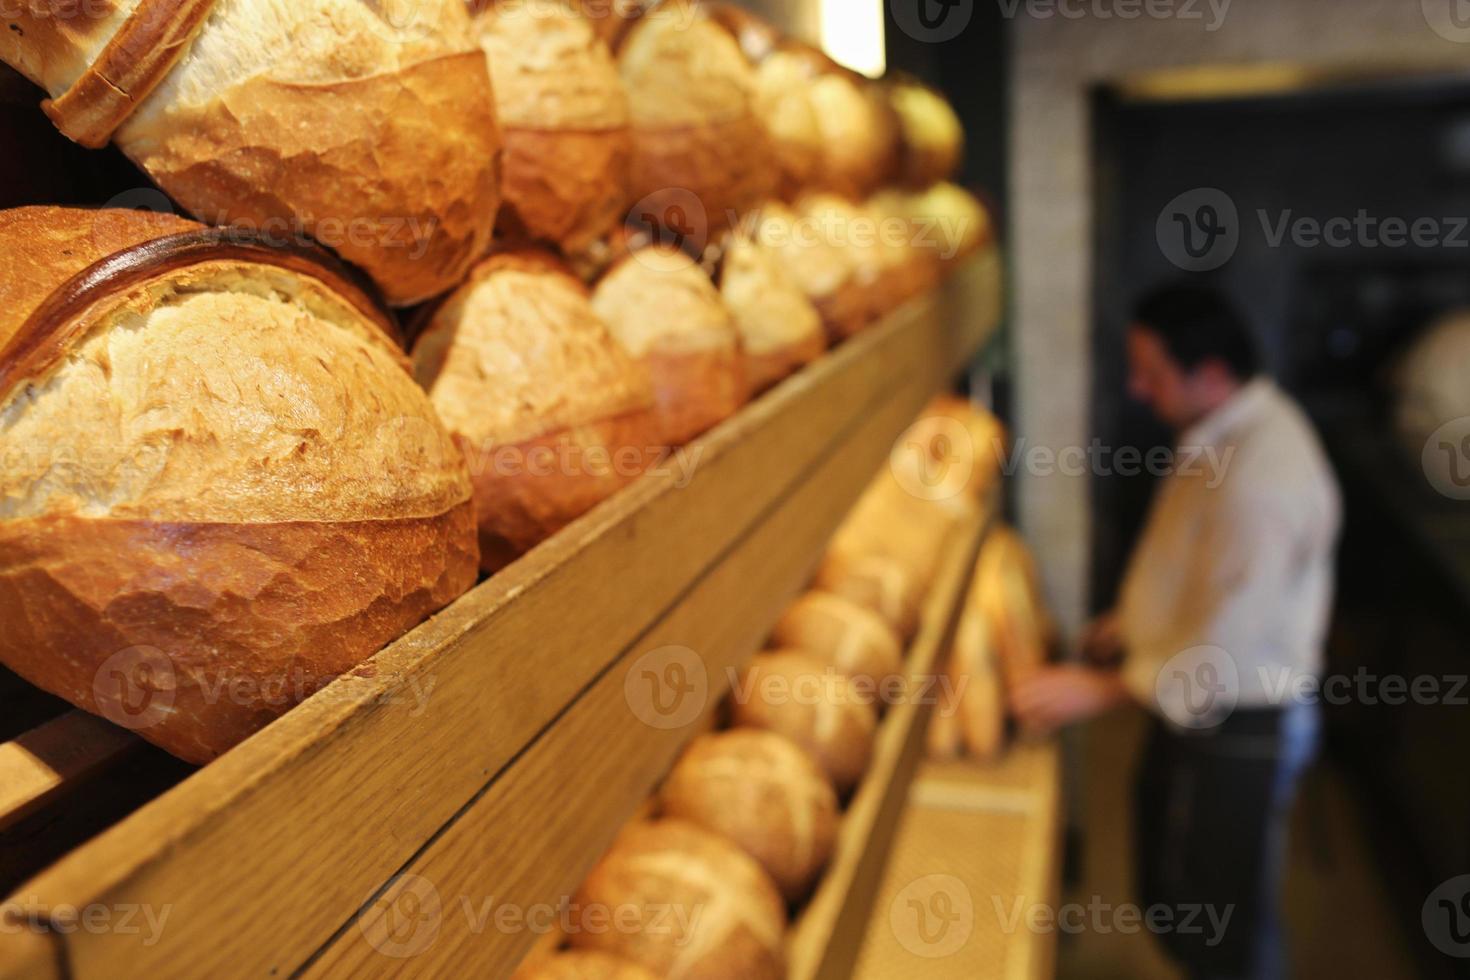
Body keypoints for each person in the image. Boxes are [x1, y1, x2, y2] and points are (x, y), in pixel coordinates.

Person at [1012, 283, 1341, 980]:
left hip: (1244, 710)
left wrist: (1101, 690)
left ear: (1212, 375)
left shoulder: (1265, 475)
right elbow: (1193, 562)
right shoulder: (1220, 431)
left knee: (1229, 916)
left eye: (1150, 374)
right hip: (1195, 691)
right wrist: (1132, 623)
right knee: (1177, 875)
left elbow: (1229, 644)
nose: (1136, 390)